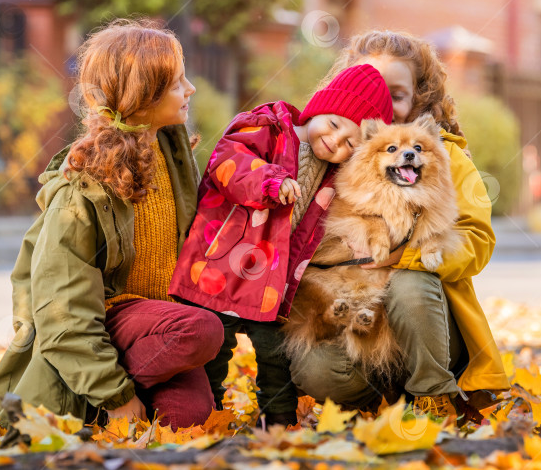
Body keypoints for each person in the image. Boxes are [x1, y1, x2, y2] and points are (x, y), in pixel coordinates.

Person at [0, 19, 224, 430]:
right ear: (142, 97)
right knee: (201, 330)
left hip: (159, 325)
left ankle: (112, 394)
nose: (191, 90)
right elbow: (63, 310)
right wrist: (115, 396)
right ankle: (97, 393)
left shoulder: (174, 156)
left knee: (187, 418)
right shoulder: (82, 188)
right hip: (110, 318)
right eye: (177, 84)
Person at [289, 30, 510, 422]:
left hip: (429, 326)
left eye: (395, 93)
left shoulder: (445, 157)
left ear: (419, 97)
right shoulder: (333, 147)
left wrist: (406, 254)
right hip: (359, 318)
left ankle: (432, 391)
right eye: (366, 86)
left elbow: (478, 240)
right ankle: (383, 394)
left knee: (409, 283)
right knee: (318, 372)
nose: (379, 103)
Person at [169, 64, 394, 427]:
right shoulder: (267, 126)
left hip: (272, 282)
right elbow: (227, 162)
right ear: (319, 107)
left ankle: (280, 422)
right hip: (222, 266)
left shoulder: (335, 175)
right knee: (215, 349)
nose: (336, 142)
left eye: (351, 143)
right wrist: (271, 181)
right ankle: (210, 417)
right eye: (335, 125)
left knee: (277, 358)